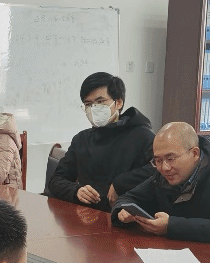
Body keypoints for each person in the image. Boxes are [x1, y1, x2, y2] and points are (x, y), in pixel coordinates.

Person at [110, 121, 210, 247]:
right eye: (158, 160)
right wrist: (125, 212)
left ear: (194, 153)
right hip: (184, 251)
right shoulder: (164, 176)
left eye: (171, 158)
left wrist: (170, 226)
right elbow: (127, 198)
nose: (164, 167)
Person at [46, 72, 155, 210]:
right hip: (86, 214)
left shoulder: (143, 136)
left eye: (100, 102)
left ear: (118, 102)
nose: (94, 109)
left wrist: (121, 183)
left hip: (124, 215)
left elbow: (160, 172)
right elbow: (56, 180)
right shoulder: (81, 139)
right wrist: (76, 191)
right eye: (88, 104)